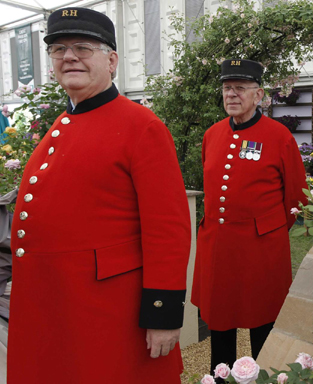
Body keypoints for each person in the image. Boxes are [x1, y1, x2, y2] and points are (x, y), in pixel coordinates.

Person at [8, 8, 191, 384]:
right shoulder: (62, 124)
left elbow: (168, 229)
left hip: (107, 311)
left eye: (83, 47)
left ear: (112, 60)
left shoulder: (142, 126)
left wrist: (162, 314)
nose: (69, 56)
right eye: (58, 49)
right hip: (54, 305)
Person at [191, 59, 308, 373]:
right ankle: (221, 377)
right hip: (219, 248)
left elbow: (297, 198)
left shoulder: (279, 136)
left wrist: (265, 229)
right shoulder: (212, 135)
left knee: (262, 326)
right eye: (227, 88)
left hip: (261, 250)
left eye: (240, 88)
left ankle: (264, 377)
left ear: (259, 95)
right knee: (221, 326)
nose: (231, 94)